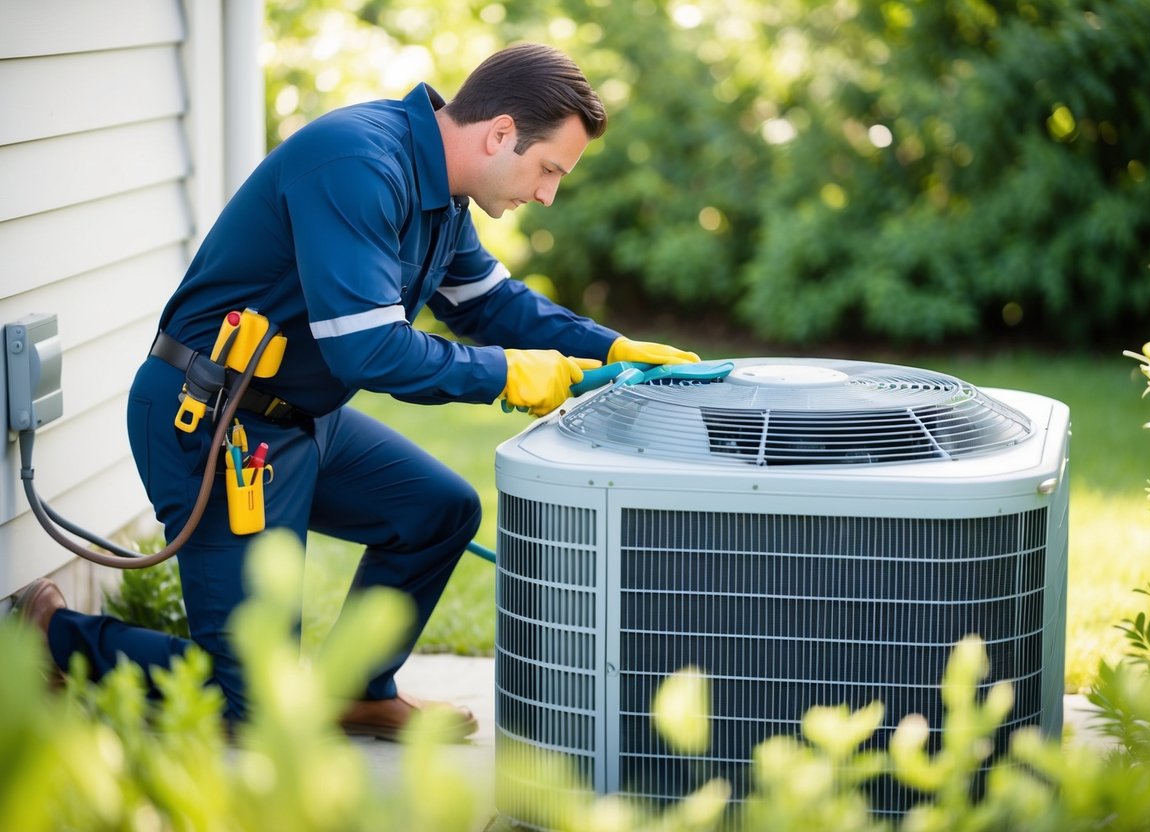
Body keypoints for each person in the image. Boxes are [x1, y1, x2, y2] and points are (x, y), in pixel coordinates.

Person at [15, 43, 698, 739]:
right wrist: (509, 374)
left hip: (301, 417)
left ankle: (353, 692)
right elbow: (368, 349)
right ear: (499, 134)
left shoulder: (444, 200)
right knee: (250, 705)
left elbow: (493, 305)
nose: (547, 191)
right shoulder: (358, 164)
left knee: (437, 511)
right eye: (548, 168)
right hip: (216, 422)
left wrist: (609, 347)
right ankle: (55, 637)